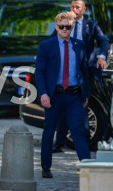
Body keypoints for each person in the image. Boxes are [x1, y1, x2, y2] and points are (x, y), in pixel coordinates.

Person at [35, 12, 91, 179]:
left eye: (68, 26)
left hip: (74, 96)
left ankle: (87, 167)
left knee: (78, 131)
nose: (65, 29)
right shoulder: (46, 46)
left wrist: (85, 93)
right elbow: (40, 72)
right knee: (49, 131)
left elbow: (84, 71)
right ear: (56, 26)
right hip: (54, 96)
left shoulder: (79, 45)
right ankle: (45, 167)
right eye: (62, 26)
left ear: (72, 27)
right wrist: (43, 93)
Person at [52, 0, 110, 153]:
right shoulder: (64, 25)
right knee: (62, 108)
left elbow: (104, 41)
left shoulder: (91, 25)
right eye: (72, 6)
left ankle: (84, 144)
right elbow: (52, 41)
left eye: (77, 7)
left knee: (82, 106)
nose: (74, 9)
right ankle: (59, 144)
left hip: (84, 73)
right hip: (65, 72)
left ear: (83, 10)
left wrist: (102, 57)